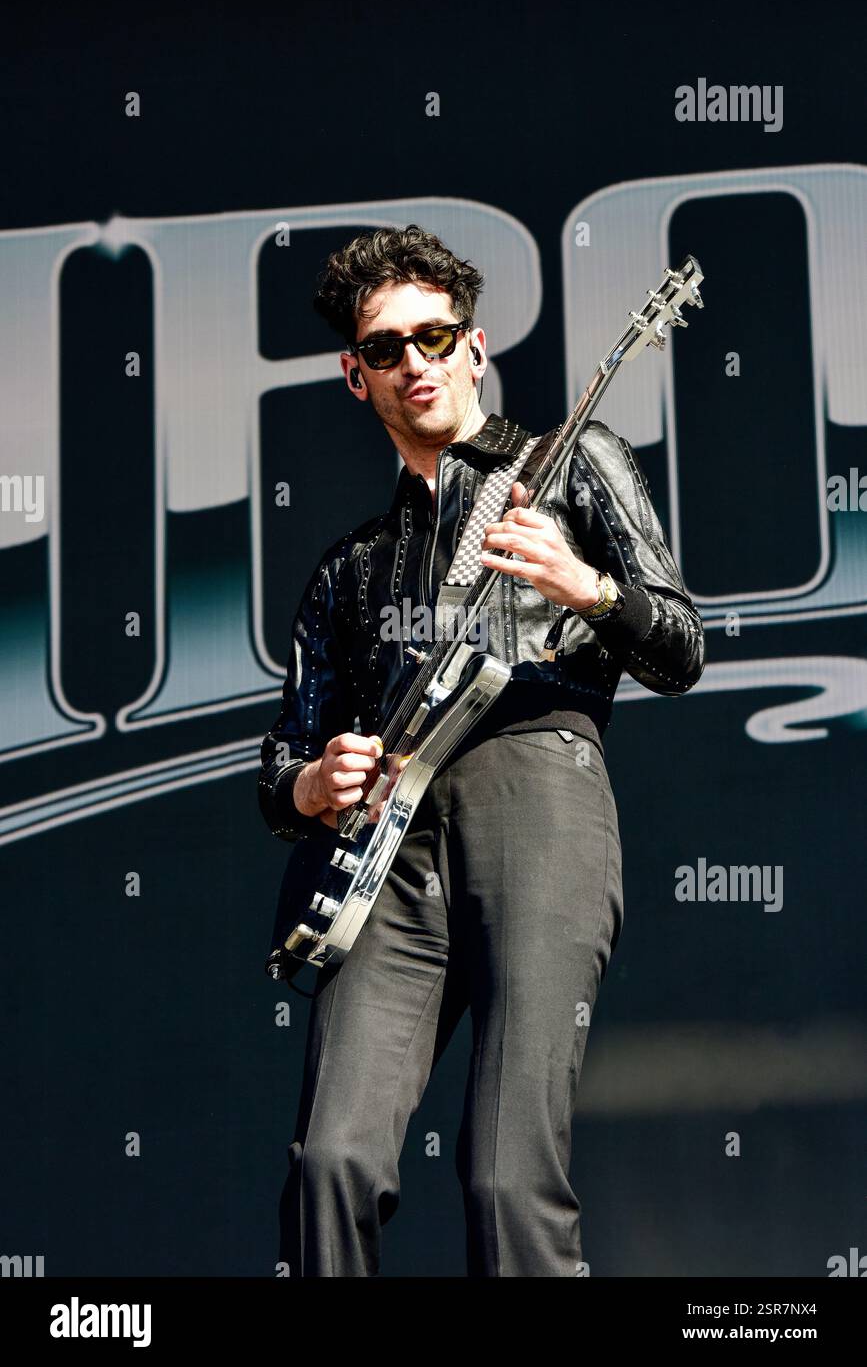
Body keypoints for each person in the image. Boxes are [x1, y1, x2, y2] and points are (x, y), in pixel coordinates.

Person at [258, 224, 705, 1276]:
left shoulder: (568, 464)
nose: (414, 361)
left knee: (506, 1173)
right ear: (354, 376)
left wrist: (587, 587)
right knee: (329, 1159)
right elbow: (278, 772)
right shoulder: (348, 570)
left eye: (434, 334)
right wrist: (318, 781)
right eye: (386, 348)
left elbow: (683, 647)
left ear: (476, 345)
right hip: (391, 857)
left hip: (538, 794)